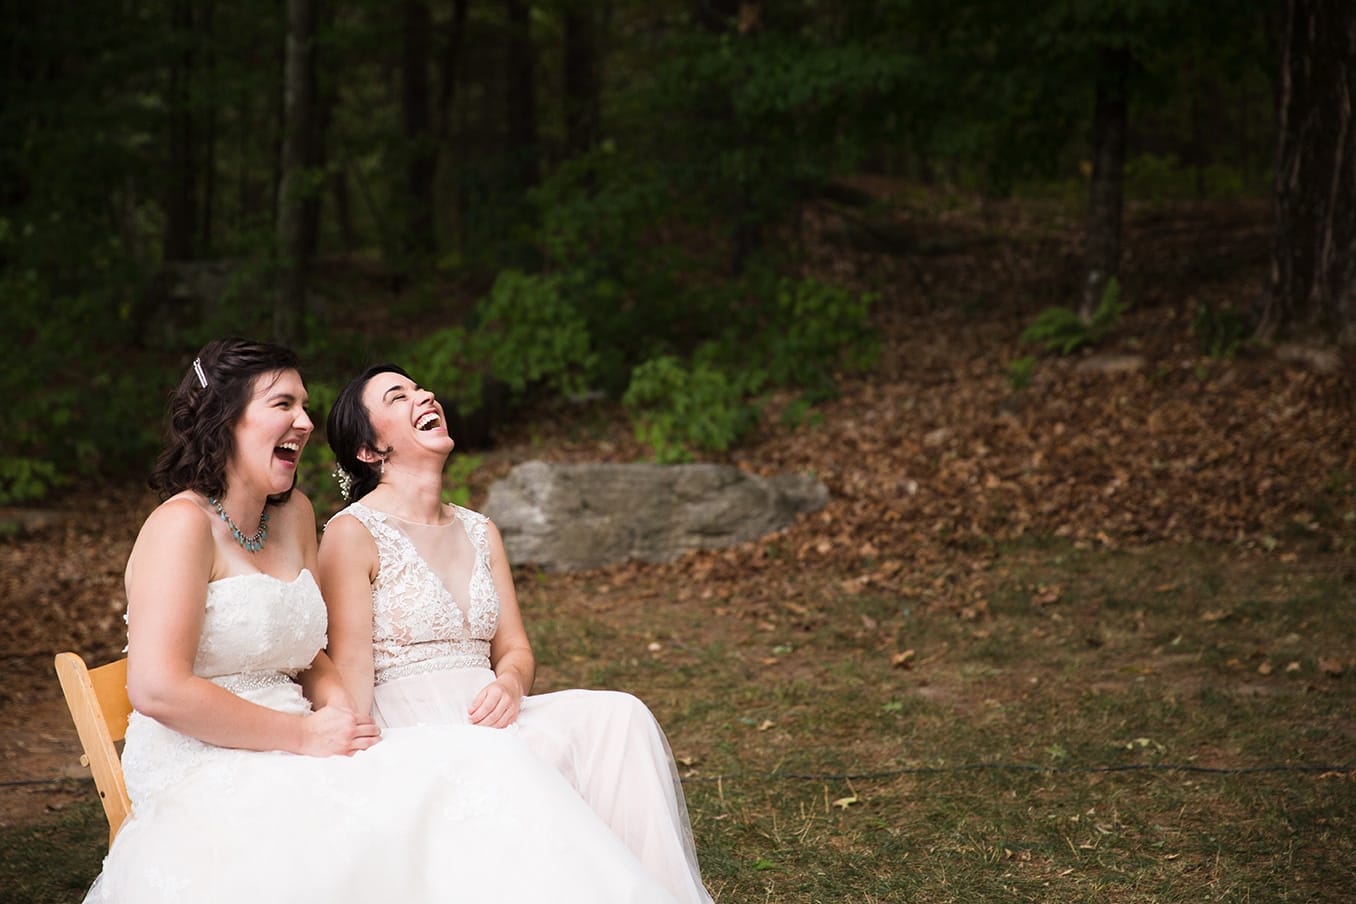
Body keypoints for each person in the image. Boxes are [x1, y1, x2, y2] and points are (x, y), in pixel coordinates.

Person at [85, 338, 676, 904]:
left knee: (488, 764)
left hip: (307, 740)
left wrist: (340, 710)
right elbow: (158, 688)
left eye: (306, 406)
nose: (306, 423)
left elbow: (310, 656)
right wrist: (304, 735)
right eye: (283, 405)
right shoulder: (180, 526)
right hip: (208, 763)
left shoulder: (292, 518)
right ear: (225, 420)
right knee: (464, 777)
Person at [319, 364, 715, 904]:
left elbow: (514, 648)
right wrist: (359, 765)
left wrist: (509, 685)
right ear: (369, 449)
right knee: (501, 765)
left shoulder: (482, 530)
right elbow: (350, 670)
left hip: (492, 709)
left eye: (420, 387)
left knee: (621, 716)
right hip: (411, 723)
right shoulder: (352, 533)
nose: (424, 394)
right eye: (398, 395)